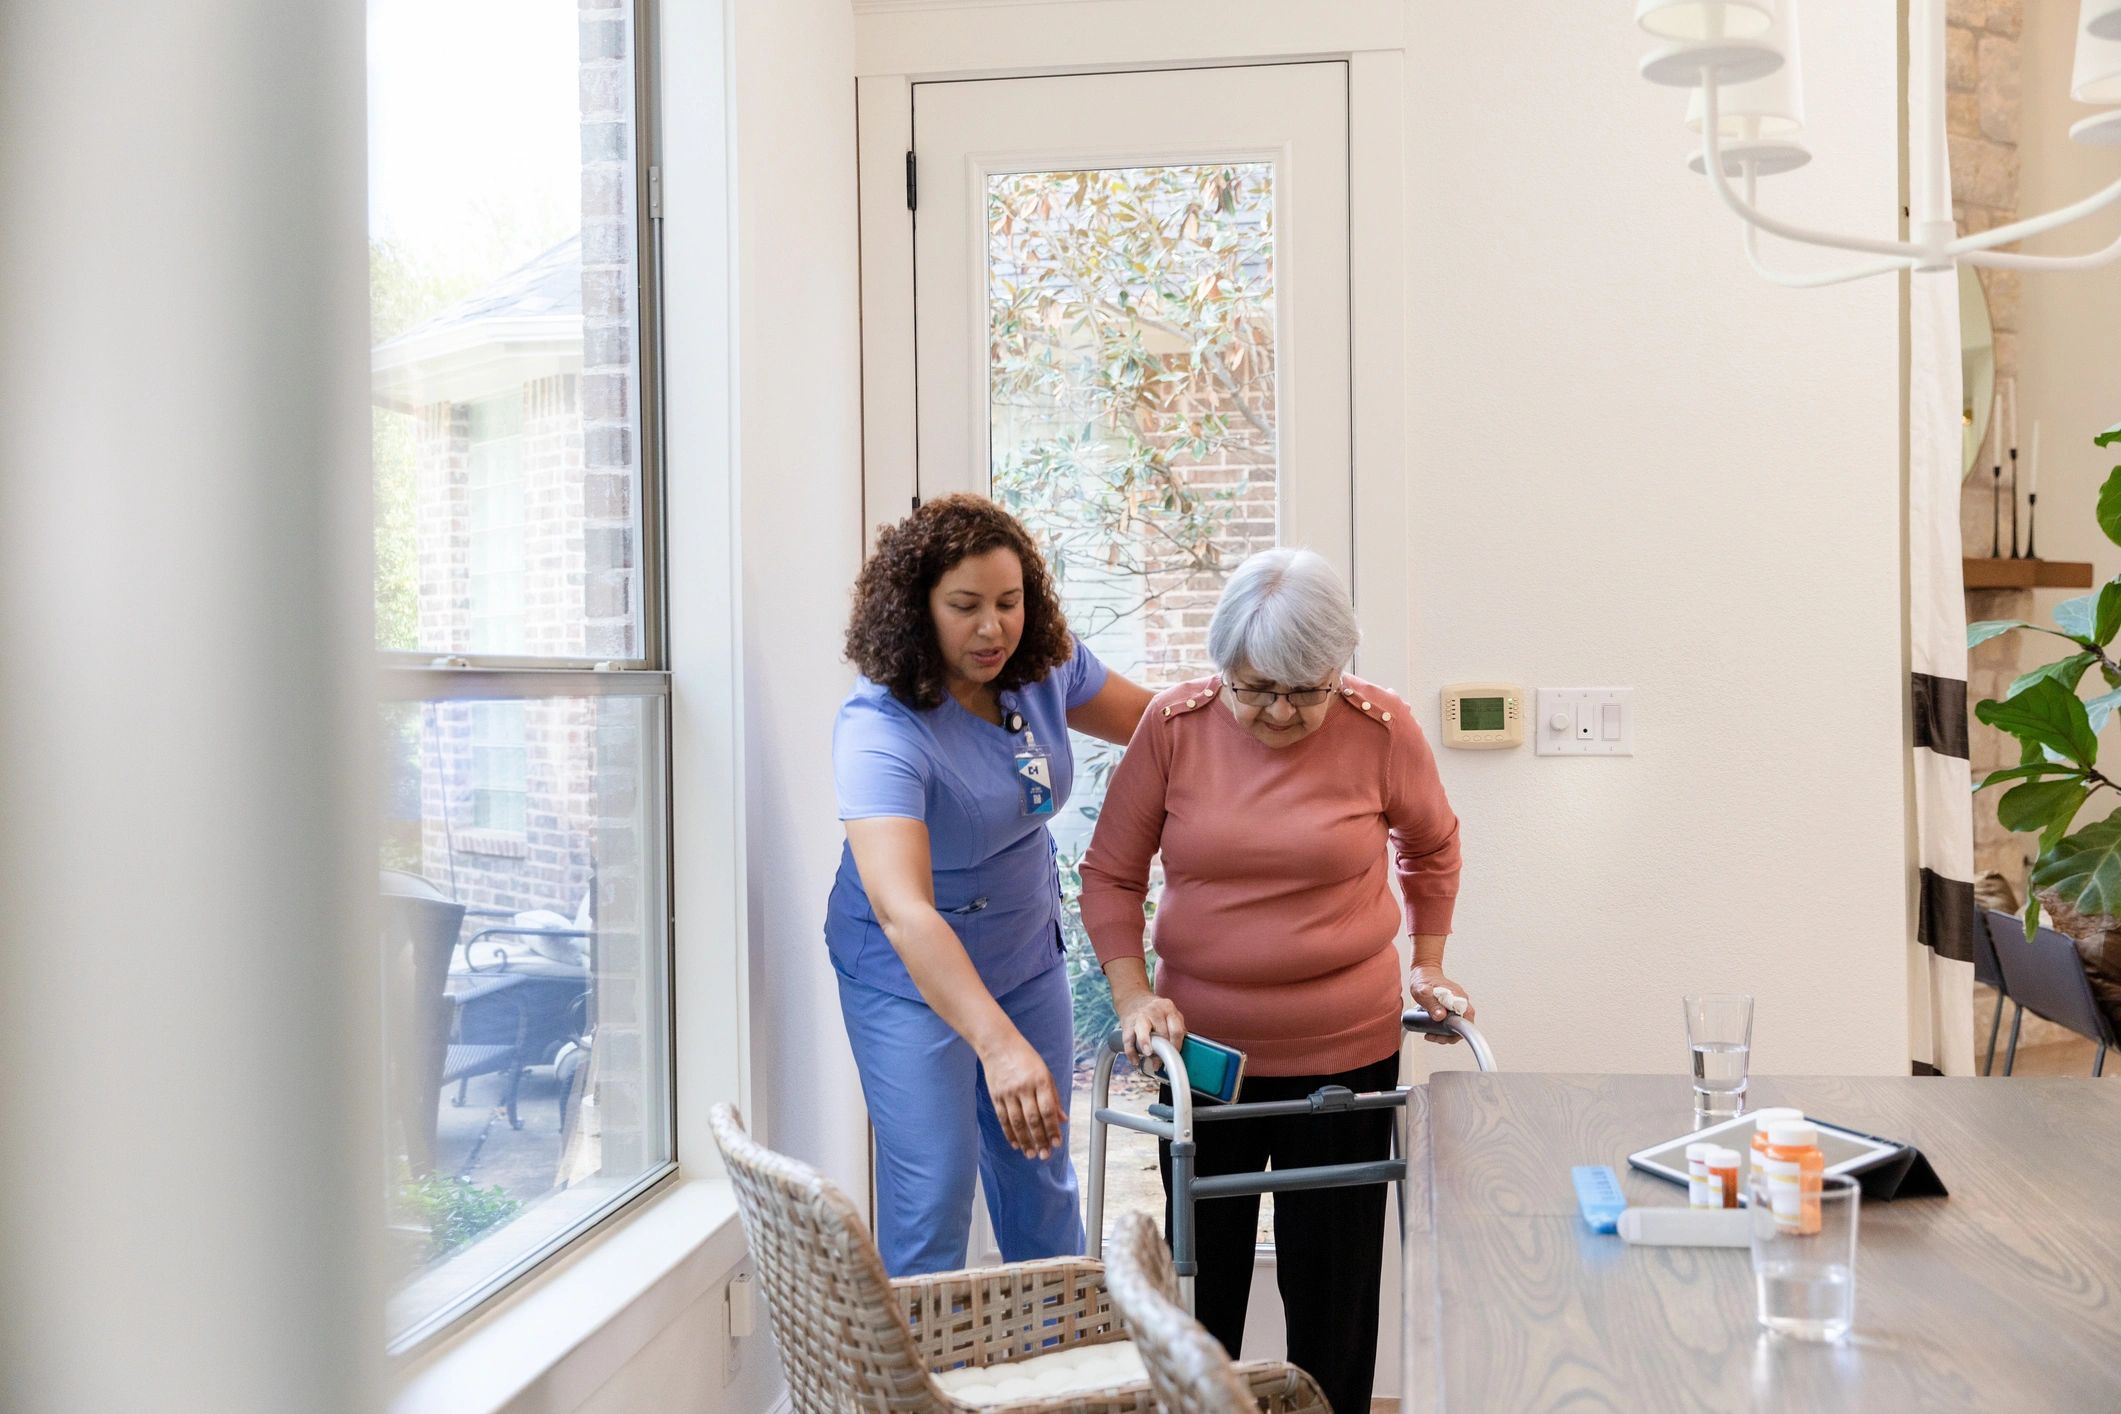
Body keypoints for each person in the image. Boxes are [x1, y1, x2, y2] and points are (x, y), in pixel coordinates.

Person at [1078, 547, 1467, 1414]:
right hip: (1202, 1056)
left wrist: (1428, 964)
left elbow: (1432, 846)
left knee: (1332, 1288)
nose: (1280, 712)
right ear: (1222, 667)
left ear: (1339, 669)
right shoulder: (1173, 727)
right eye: (1254, 689)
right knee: (1200, 1281)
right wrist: (1133, 995)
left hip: (1345, 1053)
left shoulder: (1380, 728)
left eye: (1304, 690)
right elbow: (1109, 873)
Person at [828, 494, 1154, 1276]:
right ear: (917, 609)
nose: (992, 629)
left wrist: (1263, 697)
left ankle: (1054, 1351)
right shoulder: (879, 729)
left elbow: (1160, 727)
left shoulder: (1042, 667)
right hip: (908, 973)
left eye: (1009, 603)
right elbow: (903, 910)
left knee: (1040, 1176)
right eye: (965, 606)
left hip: (1022, 950)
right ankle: (925, 1359)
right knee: (933, 1193)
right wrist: (999, 1046)